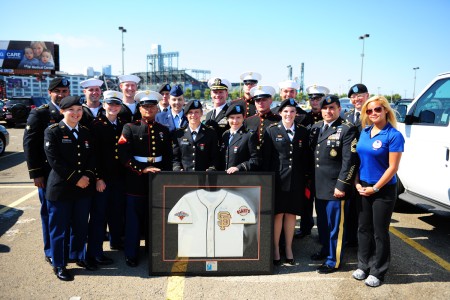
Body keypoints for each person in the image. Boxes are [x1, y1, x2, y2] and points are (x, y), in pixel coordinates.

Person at [352, 95, 404, 287]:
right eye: (369, 110)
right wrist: (357, 183)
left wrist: (375, 188)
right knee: (363, 228)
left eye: (377, 110)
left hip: (383, 189)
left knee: (380, 232)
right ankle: (363, 265)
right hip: (363, 186)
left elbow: (393, 168)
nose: (373, 113)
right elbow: (359, 161)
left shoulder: (394, 135)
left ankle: (378, 271)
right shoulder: (365, 132)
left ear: (386, 111)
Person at [44, 96, 97, 281]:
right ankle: (59, 264)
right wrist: (76, 179)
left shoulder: (85, 132)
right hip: (61, 189)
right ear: (62, 112)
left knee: (81, 226)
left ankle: (78, 256)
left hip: (83, 189)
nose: (76, 113)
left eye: (79, 110)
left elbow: (92, 158)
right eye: (71, 110)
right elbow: (55, 161)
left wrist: (88, 177)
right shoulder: (53, 132)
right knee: (59, 229)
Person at [118, 90, 172, 267]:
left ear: (157, 108)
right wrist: (142, 169)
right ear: (140, 109)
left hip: (158, 180)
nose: (149, 109)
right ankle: (131, 254)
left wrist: (165, 177)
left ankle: (153, 251)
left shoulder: (164, 130)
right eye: (145, 106)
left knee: (154, 219)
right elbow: (124, 155)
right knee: (133, 221)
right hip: (136, 180)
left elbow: (169, 157)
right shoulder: (130, 128)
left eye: (152, 106)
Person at [23, 77, 70, 267]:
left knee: (68, 215)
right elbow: (30, 145)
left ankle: (64, 248)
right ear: (50, 92)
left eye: (64, 92)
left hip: (69, 174)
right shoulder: (40, 114)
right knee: (50, 214)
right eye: (57, 91)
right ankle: (51, 251)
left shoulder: (72, 112)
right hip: (48, 174)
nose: (61, 94)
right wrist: (36, 174)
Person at [309, 95, 358, 274]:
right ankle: (325, 250)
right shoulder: (316, 128)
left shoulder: (347, 129)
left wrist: (342, 185)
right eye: (325, 108)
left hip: (335, 188)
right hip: (319, 186)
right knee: (322, 224)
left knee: (335, 227)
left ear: (339, 109)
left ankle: (333, 260)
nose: (328, 111)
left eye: (332, 108)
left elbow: (350, 161)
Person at [262, 99, 310, 266]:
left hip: (296, 180)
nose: (289, 115)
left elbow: (305, 158)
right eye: (286, 111)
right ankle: (275, 248)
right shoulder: (271, 131)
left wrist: (307, 180)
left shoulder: (303, 131)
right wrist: (267, 183)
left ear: (296, 113)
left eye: (292, 111)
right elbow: (266, 159)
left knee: (291, 215)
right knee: (278, 215)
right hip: (278, 180)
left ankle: (288, 248)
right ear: (280, 113)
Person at [86, 90, 127, 267]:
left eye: (117, 104)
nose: (113, 107)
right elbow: (92, 155)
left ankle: (116, 242)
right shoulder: (96, 125)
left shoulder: (123, 124)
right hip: (103, 178)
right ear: (104, 105)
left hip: (119, 178)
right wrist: (98, 178)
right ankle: (95, 252)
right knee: (99, 216)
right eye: (110, 104)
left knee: (116, 212)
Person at [294, 84, 330, 240]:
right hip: (307, 166)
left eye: (318, 99)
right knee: (306, 200)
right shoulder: (303, 118)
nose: (314, 102)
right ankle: (305, 227)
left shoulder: (329, 118)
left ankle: (325, 233)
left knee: (322, 203)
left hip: (325, 168)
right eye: (312, 99)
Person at [344, 83, 371, 247]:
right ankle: (350, 238)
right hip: (350, 166)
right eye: (353, 97)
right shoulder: (347, 116)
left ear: (367, 95)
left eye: (359, 95)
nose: (356, 99)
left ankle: (364, 242)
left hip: (366, 166)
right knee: (350, 205)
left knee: (364, 208)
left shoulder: (372, 114)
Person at [172, 100, 219, 171]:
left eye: (196, 112)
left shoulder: (210, 133)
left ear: (201, 113)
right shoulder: (179, 134)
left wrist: (211, 169)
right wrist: (177, 168)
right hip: (185, 177)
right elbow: (175, 158)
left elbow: (215, 157)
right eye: (190, 112)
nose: (193, 115)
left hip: (204, 177)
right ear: (186, 115)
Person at [221, 103, 260, 173]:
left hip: (241, 178)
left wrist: (239, 167)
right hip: (224, 178)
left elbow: (255, 159)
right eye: (232, 118)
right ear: (227, 119)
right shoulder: (225, 135)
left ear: (243, 118)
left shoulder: (249, 135)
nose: (235, 121)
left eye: (238, 117)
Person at [204, 77, 231, 153]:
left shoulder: (231, 113)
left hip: (225, 154)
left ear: (226, 93)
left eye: (221, 92)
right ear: (211, 94)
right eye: (215, 92)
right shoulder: (209, 114)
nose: (218, 95)